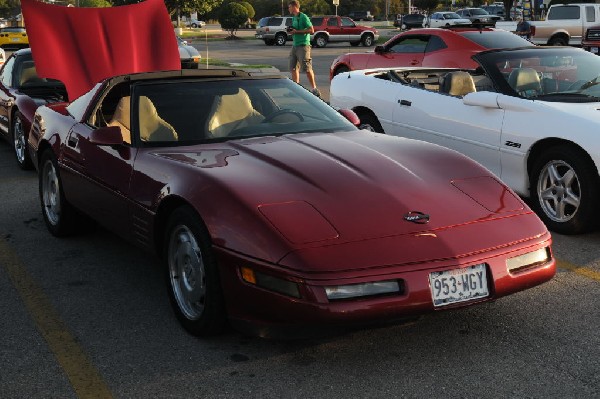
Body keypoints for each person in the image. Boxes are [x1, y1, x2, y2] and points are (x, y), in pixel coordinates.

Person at [287, 0, 320, 97]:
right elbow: (295, 30)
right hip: (295, 45)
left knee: (306, 68)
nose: (288, 9)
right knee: (293, 68)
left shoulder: (303, 17)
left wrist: (296, 32)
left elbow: (311, 30)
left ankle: (314, 89)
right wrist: (291, 31)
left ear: (294, 7)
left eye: (289, 7)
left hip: (303, 46)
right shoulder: (294, 18)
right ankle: (296, 90)